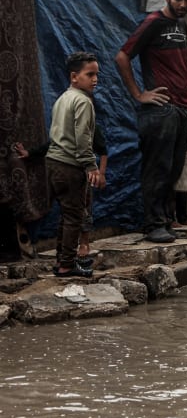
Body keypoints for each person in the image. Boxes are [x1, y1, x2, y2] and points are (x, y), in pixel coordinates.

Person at [115, 0, 187, 244]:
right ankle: (153, 225)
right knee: (157, 169)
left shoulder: (181, 25)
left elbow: (179, 66)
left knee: (174, 170)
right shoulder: (153, 23)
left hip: (183, 107)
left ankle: (166, 220)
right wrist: (139, 94)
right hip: (162, 109)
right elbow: (122, 56)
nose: (183, 4)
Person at [41, 52, 104, 277]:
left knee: (67, 215)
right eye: (90, 74)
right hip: (69, 166)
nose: (95, 79)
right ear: (74, 76)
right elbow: (83, 138)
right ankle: (67, 264)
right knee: (75, 216)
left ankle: (62, 262)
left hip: (53, 163)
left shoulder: (63, 98)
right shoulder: (83, 101)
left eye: (96, 74)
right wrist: (91, 166)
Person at [14, 120, 108, 268]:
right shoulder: (65, 127)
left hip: (82, 172)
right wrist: (29, 153)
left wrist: (101, 174)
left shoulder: (91, 126)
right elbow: (50, 145)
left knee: (83, 209)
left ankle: (83, 243)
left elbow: (103, 151)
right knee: (68, 214)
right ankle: (63, 256)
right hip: (63, 171)